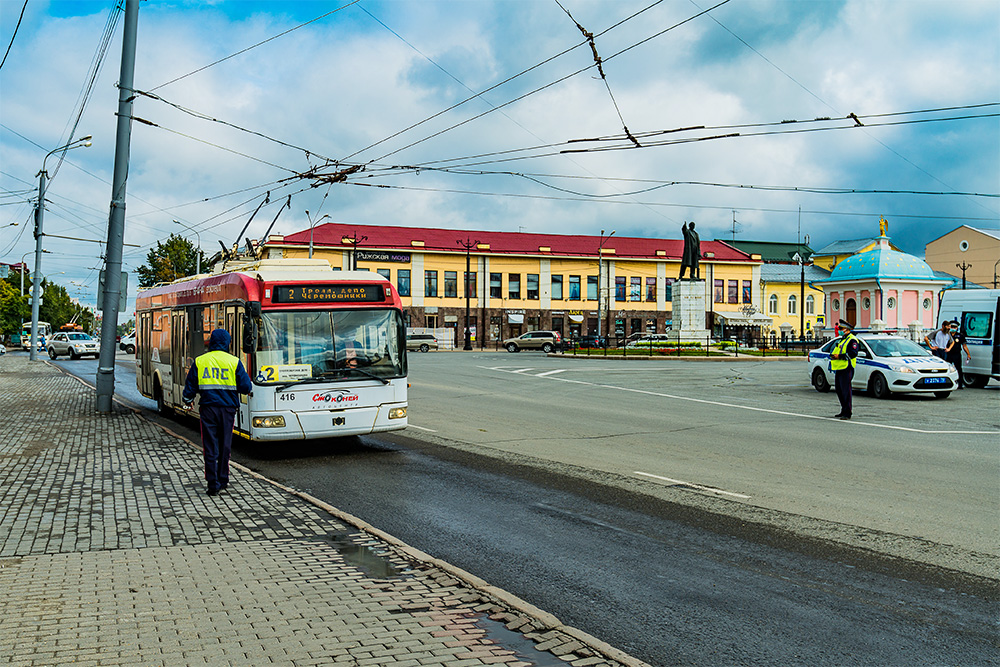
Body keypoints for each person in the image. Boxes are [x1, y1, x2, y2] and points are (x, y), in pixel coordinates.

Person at [182, 329, 253, 496]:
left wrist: (187, 401)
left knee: (210, 446)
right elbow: (245, 387)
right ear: (227, 342)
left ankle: (212, 483)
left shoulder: (200, 361)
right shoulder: (234, 362)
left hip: (208, 409)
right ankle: (223, 479)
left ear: (211, 342)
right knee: (225, 445)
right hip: (227, 410)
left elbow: (190, 386)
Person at [829, 319, 859, 420]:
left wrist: (839, 356)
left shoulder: (852, 340)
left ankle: (848, 412)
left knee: (846, 390)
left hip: (847, 367)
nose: (839, 330)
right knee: (839, 389)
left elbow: (853, 353)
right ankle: (843, 409)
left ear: (847, 329)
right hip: (839, 368)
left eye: (841, 328)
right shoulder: (842, 339)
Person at [947, 319, 971, 389]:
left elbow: (964, 346)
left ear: (957, 328)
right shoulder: (946, 335)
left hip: (956, 354)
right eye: (952, 327)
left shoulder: (960, 336)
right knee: (948, 368)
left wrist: (968, 354)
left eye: (955, 327)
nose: (953, 329)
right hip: (948, 354)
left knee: (958, 369)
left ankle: (960, 384)